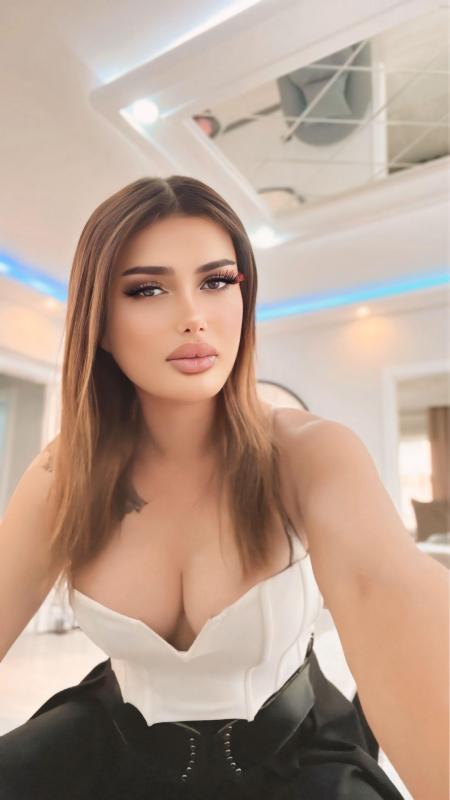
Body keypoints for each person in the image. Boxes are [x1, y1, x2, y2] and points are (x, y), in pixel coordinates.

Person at [0, 175, 412, 799]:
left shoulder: (309, 454)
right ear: (100, 322)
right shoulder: (61, 476)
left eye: (217, 281)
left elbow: (400, 609)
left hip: (297, 760)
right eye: (147, 289)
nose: (194, 318)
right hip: (105, 745)